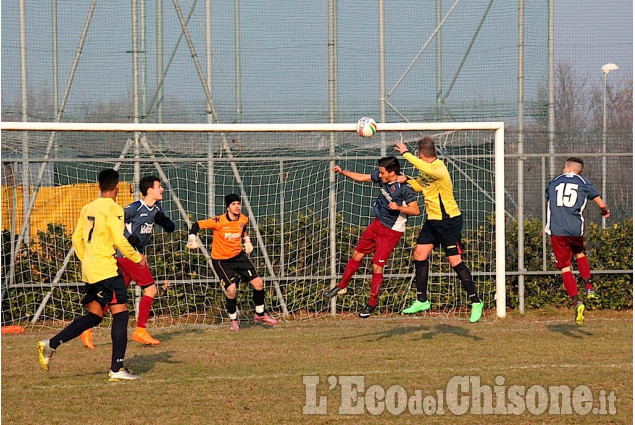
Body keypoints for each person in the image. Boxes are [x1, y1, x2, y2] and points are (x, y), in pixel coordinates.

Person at [37, 168, 147, 381]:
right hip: (106, 269)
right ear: (117, 186)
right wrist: (137, 258)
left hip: (90, 269)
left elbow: (76, 238)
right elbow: (119, 239)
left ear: (98, 186)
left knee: (95, 316)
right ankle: (117, 369)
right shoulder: (114, 209)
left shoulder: (88, 207)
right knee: (121, 314)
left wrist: (86, 259)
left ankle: (51, 344)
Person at [79, 175, 175, 348]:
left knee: (113, 297)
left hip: (128, 257)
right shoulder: (134, 208)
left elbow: (171, 227)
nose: (162, 189)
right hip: (129, 256)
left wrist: (165, 222)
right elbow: (116, 225)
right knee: (151, 290)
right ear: (149, 190)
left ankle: (87, 327)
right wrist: (131, 239)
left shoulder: (158, 207)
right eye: (159, 186)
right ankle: (140, 330)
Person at [395, 137, 483, 323]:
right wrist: (407, 179)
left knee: (455, 261)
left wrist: (405, 153)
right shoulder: (426, 169)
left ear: (420, 154)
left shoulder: (438, 168)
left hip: (449, 221)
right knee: (419, 254)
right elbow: (420, 186)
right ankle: (422, 300)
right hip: (433, 220)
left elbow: (425, 168)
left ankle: (475, 301)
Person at [325, 156, 420, 318]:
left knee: (377, 266)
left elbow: (416, 210)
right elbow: (363, 178)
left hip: (391, 231)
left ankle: (371, 305)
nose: (379, 175)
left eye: (382, 173)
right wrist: (343, 172)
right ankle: (341, 285)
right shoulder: (383, 177)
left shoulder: (404, 188)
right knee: (357, 254)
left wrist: (398, 207)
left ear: (392, 172)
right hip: (377, 224)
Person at [186, 193, 277, 330]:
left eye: (238, 204)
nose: (237, 207)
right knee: (231, 289)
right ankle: (233, 320)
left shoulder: (243, 219)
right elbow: (197, 224)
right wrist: (192, 236)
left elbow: (243, 227)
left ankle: (260, 313)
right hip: (221, 260)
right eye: (233, 204)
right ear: (228, 207)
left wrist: (247, 240)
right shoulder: (219, 221)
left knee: (258, 283)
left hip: (238, 256)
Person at [545, 157, 610, 325]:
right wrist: (605, 210)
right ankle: (589, 287)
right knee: (580, 254)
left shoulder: (555, 181)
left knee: (566, 268)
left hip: (557, 230)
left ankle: (577, 302)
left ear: (567, 168)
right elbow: (598, 200)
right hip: (575, 229)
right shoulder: (583, 182)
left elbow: (549, 202)